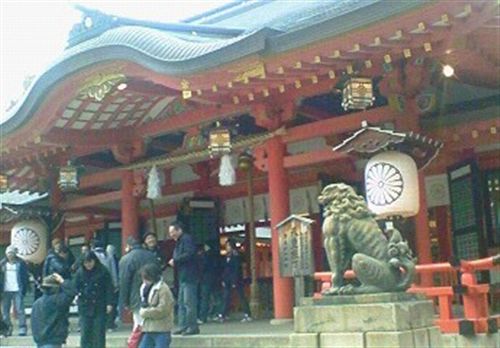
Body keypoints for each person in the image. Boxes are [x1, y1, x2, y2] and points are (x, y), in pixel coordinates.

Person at [74, 251, 113, 348]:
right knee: (85, 333)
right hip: (85, 305)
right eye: (86, 263)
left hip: (99, 304)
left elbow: (109, 288)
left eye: (90, 262)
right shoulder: (80, 272)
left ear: (94, 261)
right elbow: (75, 287)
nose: (88, 265)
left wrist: (109, 303)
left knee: (99, 333)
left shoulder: (103, 271)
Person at [168, 221, 199, 335]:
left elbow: (190, 254)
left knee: (188, 302)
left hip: (189, 275)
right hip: (182, 276)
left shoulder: (186, 239)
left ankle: (192, 326)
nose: (171, 235)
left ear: (179, 230)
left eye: (172, 232)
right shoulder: (179, 241)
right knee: (181, 302)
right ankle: (182, 325)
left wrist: (176, 260)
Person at [31, 273, 77, 348]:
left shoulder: (36, 303)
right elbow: (72, 292)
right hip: (54, 340)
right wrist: (62, 281)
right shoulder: (58, 300)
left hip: (40, 341)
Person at [119, 236, 156, 329]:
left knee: (139, 324)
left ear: (129, 246)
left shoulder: (126, 259)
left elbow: (124, 281)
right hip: (154, 293)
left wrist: (125, 301)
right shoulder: (151, 256)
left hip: (135, 295)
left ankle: (142, 343)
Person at [138, 263, 174, 348]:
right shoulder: (145, 288)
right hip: (148, 328)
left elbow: (163, 309)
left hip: (161, 328)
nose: (144, 280)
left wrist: (145, 312)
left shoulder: (163, 289)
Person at [218, 239, 252, 322]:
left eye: (228, 246)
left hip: (236, 279)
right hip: (227, 279)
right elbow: (225, 269)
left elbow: (236, 269)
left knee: (241, 296)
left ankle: (247, 313)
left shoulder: (236, 255)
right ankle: (223, 314)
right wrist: (223, 279)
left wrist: (234, 280)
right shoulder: (227, 256)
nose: (227, 248)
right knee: (226, 297)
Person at [0, 245, 29, 336]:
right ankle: (7, 328)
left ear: (15, 254)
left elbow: (25, 277)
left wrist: (24, 288)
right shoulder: (2, 264)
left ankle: (22, 328)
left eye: (12, 253)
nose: (10, 255)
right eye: (8, 253)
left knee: (20, 309)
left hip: (18, 289)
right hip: (5, 290)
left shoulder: (21, 263)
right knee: (5, 311)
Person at [105, 244, 119, 331]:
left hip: (105, 285)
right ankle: (110, 323)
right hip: (111, 284)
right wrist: (116, 284)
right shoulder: (112, 259)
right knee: (112, 304)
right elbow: (113, 272)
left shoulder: (105, 258)